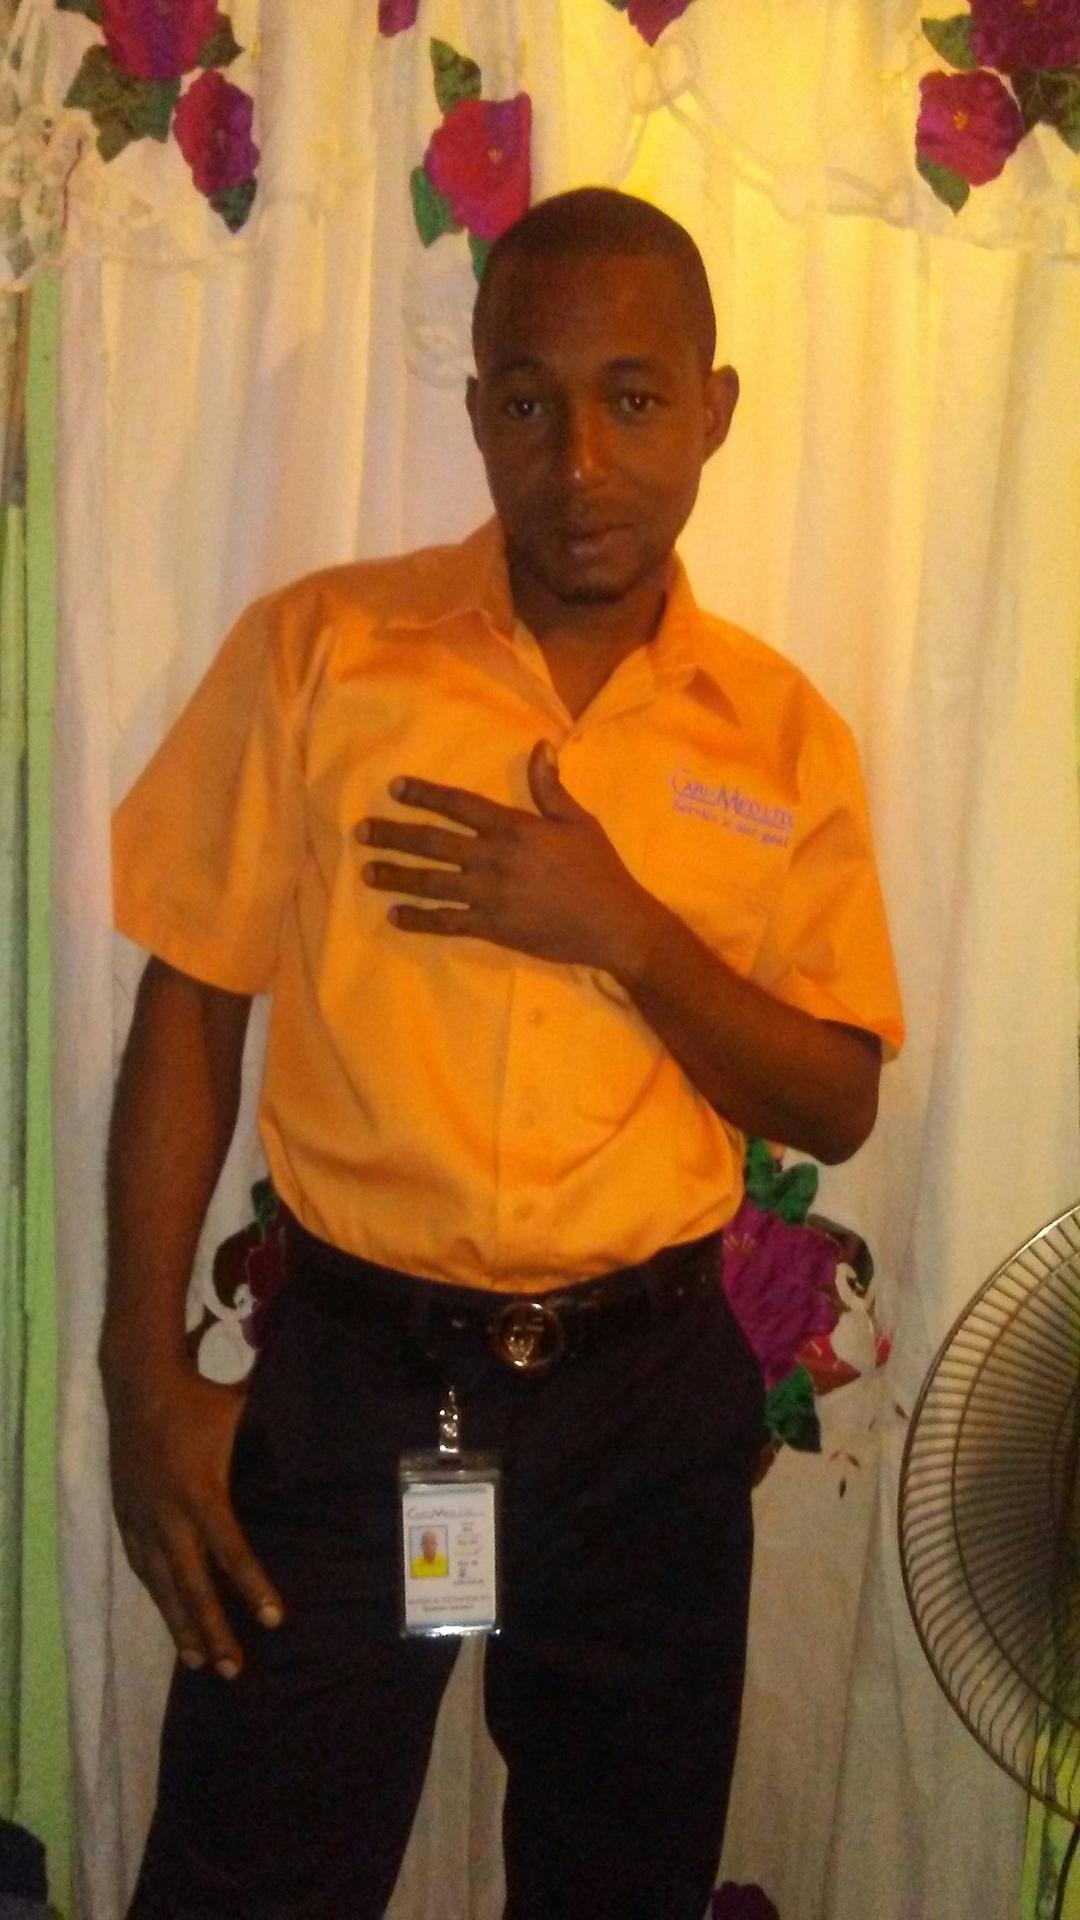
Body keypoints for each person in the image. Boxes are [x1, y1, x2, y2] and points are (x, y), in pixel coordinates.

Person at [104, 187, 903, 1919]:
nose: (581, 462)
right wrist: (138, 1374)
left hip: (644, 1415)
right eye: (530, 402)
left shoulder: (781, 736)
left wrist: (627, 932)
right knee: (252, 1875)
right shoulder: (325, 654)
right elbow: (194, 998)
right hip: (360, 1393)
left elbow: (836, 1102)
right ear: (475, 410)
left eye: (635, 398)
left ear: (714, 411)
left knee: (621, 1882)